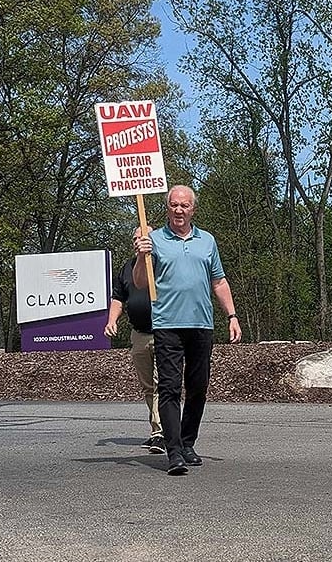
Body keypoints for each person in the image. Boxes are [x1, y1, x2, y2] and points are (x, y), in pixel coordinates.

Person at [133, 185, 242, 475]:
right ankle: (174, 453)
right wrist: (142, 255)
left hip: (201, 325)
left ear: (193, 209)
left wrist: (231, 315)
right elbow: (141, 282)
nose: (179, 210)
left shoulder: (207, 241)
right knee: (168, 388)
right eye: (173, 205)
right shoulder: (153, 239)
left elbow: (218, 282)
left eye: (184, 205)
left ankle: (187, 441)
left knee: (198, 388)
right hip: (168, 324)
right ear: (167, 208)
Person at [106, 226, 163, 454]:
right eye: (135, 239)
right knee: (148, 386)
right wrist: (112, 321)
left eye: (143, 238)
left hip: (163, 333)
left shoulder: (163, 264)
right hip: (138, 335)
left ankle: (161, 433)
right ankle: (156, 430)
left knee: (162, 384)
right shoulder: (127, 268)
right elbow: (119, 298)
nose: (138, 242)